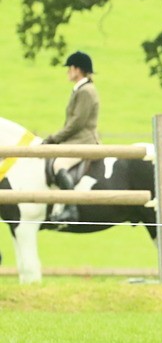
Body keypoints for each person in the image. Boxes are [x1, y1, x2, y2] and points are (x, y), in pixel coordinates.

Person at [42, 51, 101, 228]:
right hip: (76, 140)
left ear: (78, 69)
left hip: (83, 141)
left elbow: (76, 123)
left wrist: (53, 138)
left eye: (70, 68)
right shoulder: (81, 89)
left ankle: (71, 208)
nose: (68, 71)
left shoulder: (86, 92)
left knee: (58, 164)